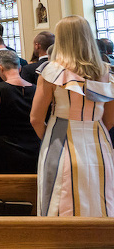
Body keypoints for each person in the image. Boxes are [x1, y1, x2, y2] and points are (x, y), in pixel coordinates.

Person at [30, 15, 114, 217]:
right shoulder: (105, 71)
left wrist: (50, 139)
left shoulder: (52, 72)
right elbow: (110, 119)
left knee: (62, 200)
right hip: (99, 143)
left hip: (62, 141)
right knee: (100, 196)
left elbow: (35, 118)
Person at [0, 50, 40, 173]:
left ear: (0, 67)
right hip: (34, 145)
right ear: (19, 68)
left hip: (6, 147)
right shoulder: (36, 89)